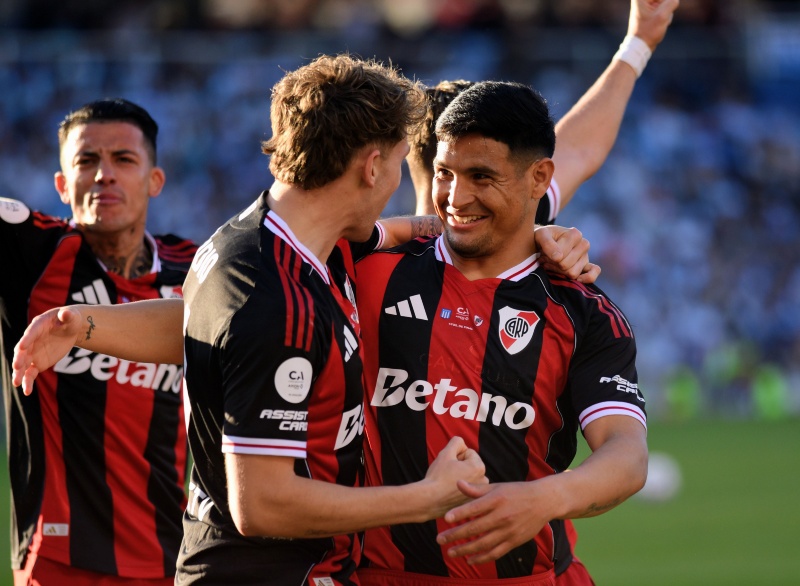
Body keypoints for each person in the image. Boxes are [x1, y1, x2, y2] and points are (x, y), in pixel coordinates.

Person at [354, 80, 648, 585]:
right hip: (380, 576)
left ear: (539, 178)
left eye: (481, 176)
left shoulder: (584, 313)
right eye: (445, 173)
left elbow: (626, 454)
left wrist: (546, 498)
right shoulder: (370, 271)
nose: (457, 196)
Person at [0, 99, 197, 584]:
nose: (104, 175)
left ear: (155, 180)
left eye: (123, 160)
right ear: (63, 185)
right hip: (58, 560)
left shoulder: (196, 270)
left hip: (172, 556)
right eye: (86, 161)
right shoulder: (32, 253)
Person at [409, 0, 680, 220]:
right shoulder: (515, 217)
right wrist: (639, 42)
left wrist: (640, 41)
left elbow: (578, 150)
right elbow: (578, 151)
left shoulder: (382, 255)